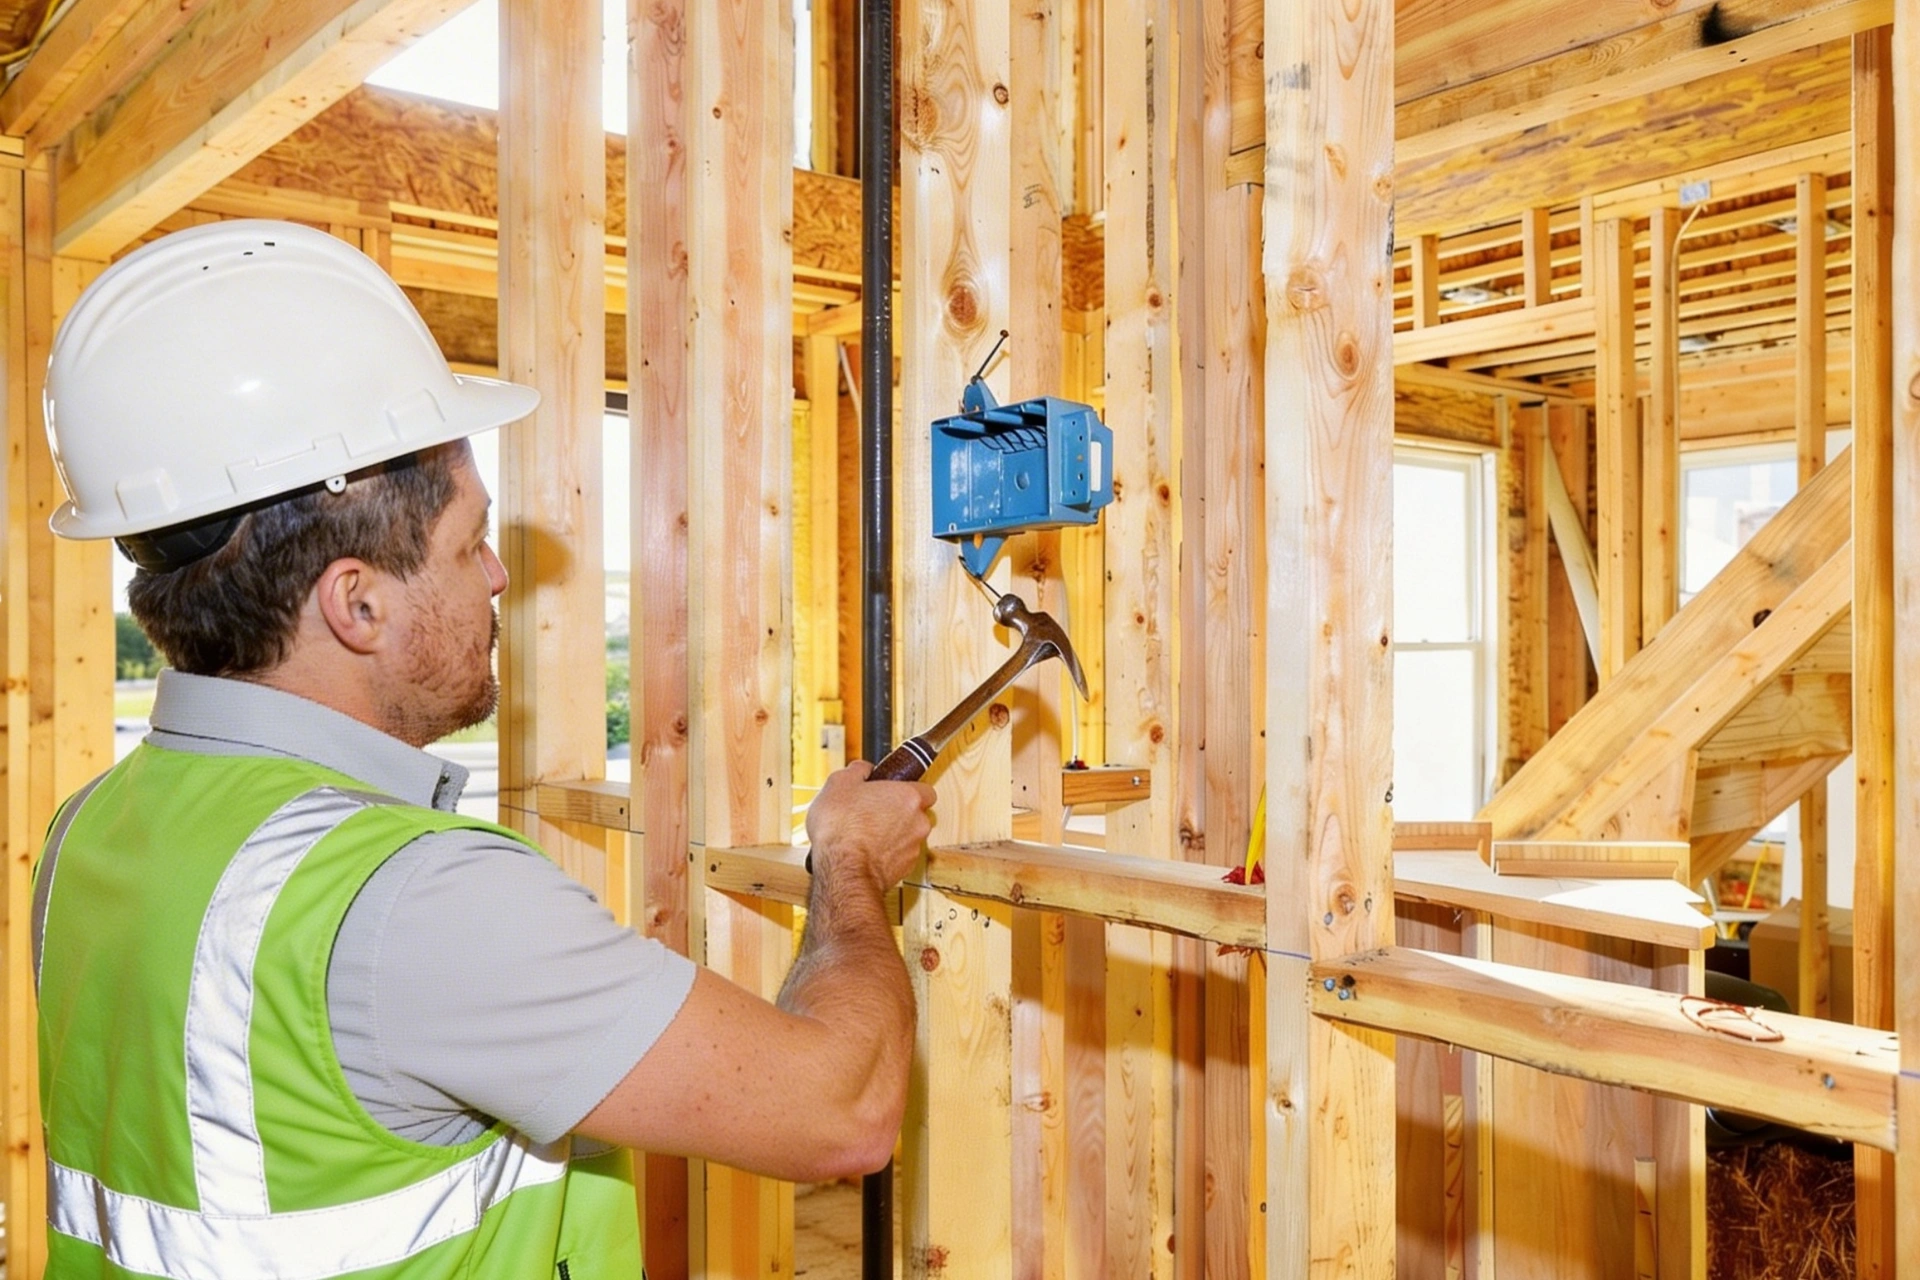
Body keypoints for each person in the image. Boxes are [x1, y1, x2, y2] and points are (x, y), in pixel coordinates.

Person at [30, 219, 935, 1279]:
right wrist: (855, 862)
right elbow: (842, 1109)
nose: (498, 574)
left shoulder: (91, 825)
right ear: (356, 602)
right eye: (470, 541)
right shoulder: (417, 901)